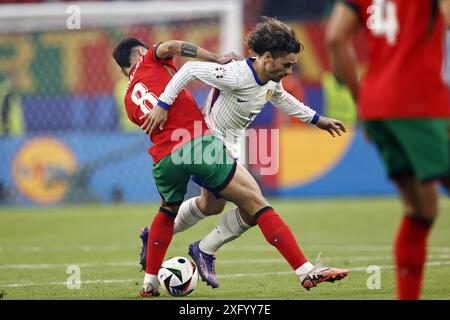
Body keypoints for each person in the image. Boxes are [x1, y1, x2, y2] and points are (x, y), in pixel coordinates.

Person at [113, 37, 348, 297]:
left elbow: (278, 95)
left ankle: (151, 283)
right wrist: (214, 59)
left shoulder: (127, 99)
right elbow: (176, 54)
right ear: (142, 52)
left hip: (165, 158)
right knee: (256, 204)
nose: (290, 71)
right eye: (287, 64)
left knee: (186, 209)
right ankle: (305, 271)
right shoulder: (159, 61)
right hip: (201, 145)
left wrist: (316, 119)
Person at [326, 0, 450, 299]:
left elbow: (334, 37)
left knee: (422, 209)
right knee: (423, 207)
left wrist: (361, 102)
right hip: (420, 102)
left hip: (377, 106)